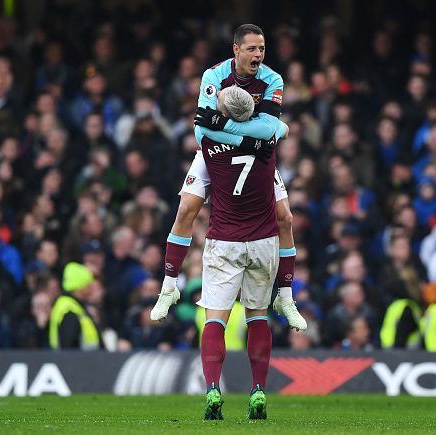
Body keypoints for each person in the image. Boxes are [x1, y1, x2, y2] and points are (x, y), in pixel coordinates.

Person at [150, 24, 306, 332]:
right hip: (218, 154)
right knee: (186, 210)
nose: (258, 55)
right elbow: (201, 131)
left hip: (255, 158)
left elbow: (268, 128)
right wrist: (251, 139)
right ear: (236, 50)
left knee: (285, 217)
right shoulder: (213, 76)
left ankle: (285, 296)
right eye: (251, 49)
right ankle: (169, 286)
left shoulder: (272, 80)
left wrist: (231, 129)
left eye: (261, 49)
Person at [191, 85, 285, 420]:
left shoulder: (205, 138)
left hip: (224, 240)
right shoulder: (270, 140)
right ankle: (258, 390)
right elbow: (280, 127)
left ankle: (213, 387)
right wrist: (252, 132)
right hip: (263, 241)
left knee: (215, 319)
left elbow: (203, 122)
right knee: (257, 316)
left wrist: (222, 124)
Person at [49, 262, 102, 350]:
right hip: (77, 362)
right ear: (79, 286)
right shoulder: (68, 309)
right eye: (87, 283)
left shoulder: (75, 306)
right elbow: (68, 346)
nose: (91, 286)